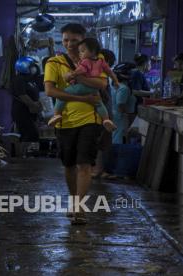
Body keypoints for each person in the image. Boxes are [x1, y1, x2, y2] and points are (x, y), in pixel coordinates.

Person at [44, 23, 107, 225]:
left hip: (91, 119)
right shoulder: (54, 62)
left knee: (84, 164)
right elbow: (50, 91)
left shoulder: (97, 60)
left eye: (74, 40)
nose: (69, 44)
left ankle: (80, 208)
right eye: (65, 40)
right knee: (69, 165)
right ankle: (73, 202)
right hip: (65, 121)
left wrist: (78, 76)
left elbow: (102, 84)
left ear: (83, 40)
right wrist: (82, 98)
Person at [48, 38, 119, 132]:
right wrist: (116, 82)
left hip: (82, 87)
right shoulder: (101, 61)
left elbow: (79, 71)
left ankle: (57, 114)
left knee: (62, 95)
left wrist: (70, 76)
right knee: (98, 103)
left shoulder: (85, 61)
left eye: (82, 51)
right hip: (94, 89)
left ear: (92, 51)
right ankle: (106, 119)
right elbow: (110, 73)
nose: (80, 54)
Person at [92, 49, 116, 178]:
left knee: (103, 142)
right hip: (101, 114)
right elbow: (102, 95)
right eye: (110, 62)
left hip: (104, 113)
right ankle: (97, 170)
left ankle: (99, 170)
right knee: (100, 143)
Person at [12, 57, 42, 156]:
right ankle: (26, 156)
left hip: (31, 112)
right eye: (32, 66)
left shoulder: (30, 80)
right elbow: (22, 95)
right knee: (30, 134)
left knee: (32, 134)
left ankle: (31, 155)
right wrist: (34, 105)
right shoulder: (19, 79)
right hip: (22, 112)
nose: (34, 68)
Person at [111, 63, 137, 144]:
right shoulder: (123, 88)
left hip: (116, 116)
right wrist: (127, 115)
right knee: (119, 138)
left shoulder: (118, 86)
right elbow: (120, 105)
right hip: (121, 117)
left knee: (116, 137)